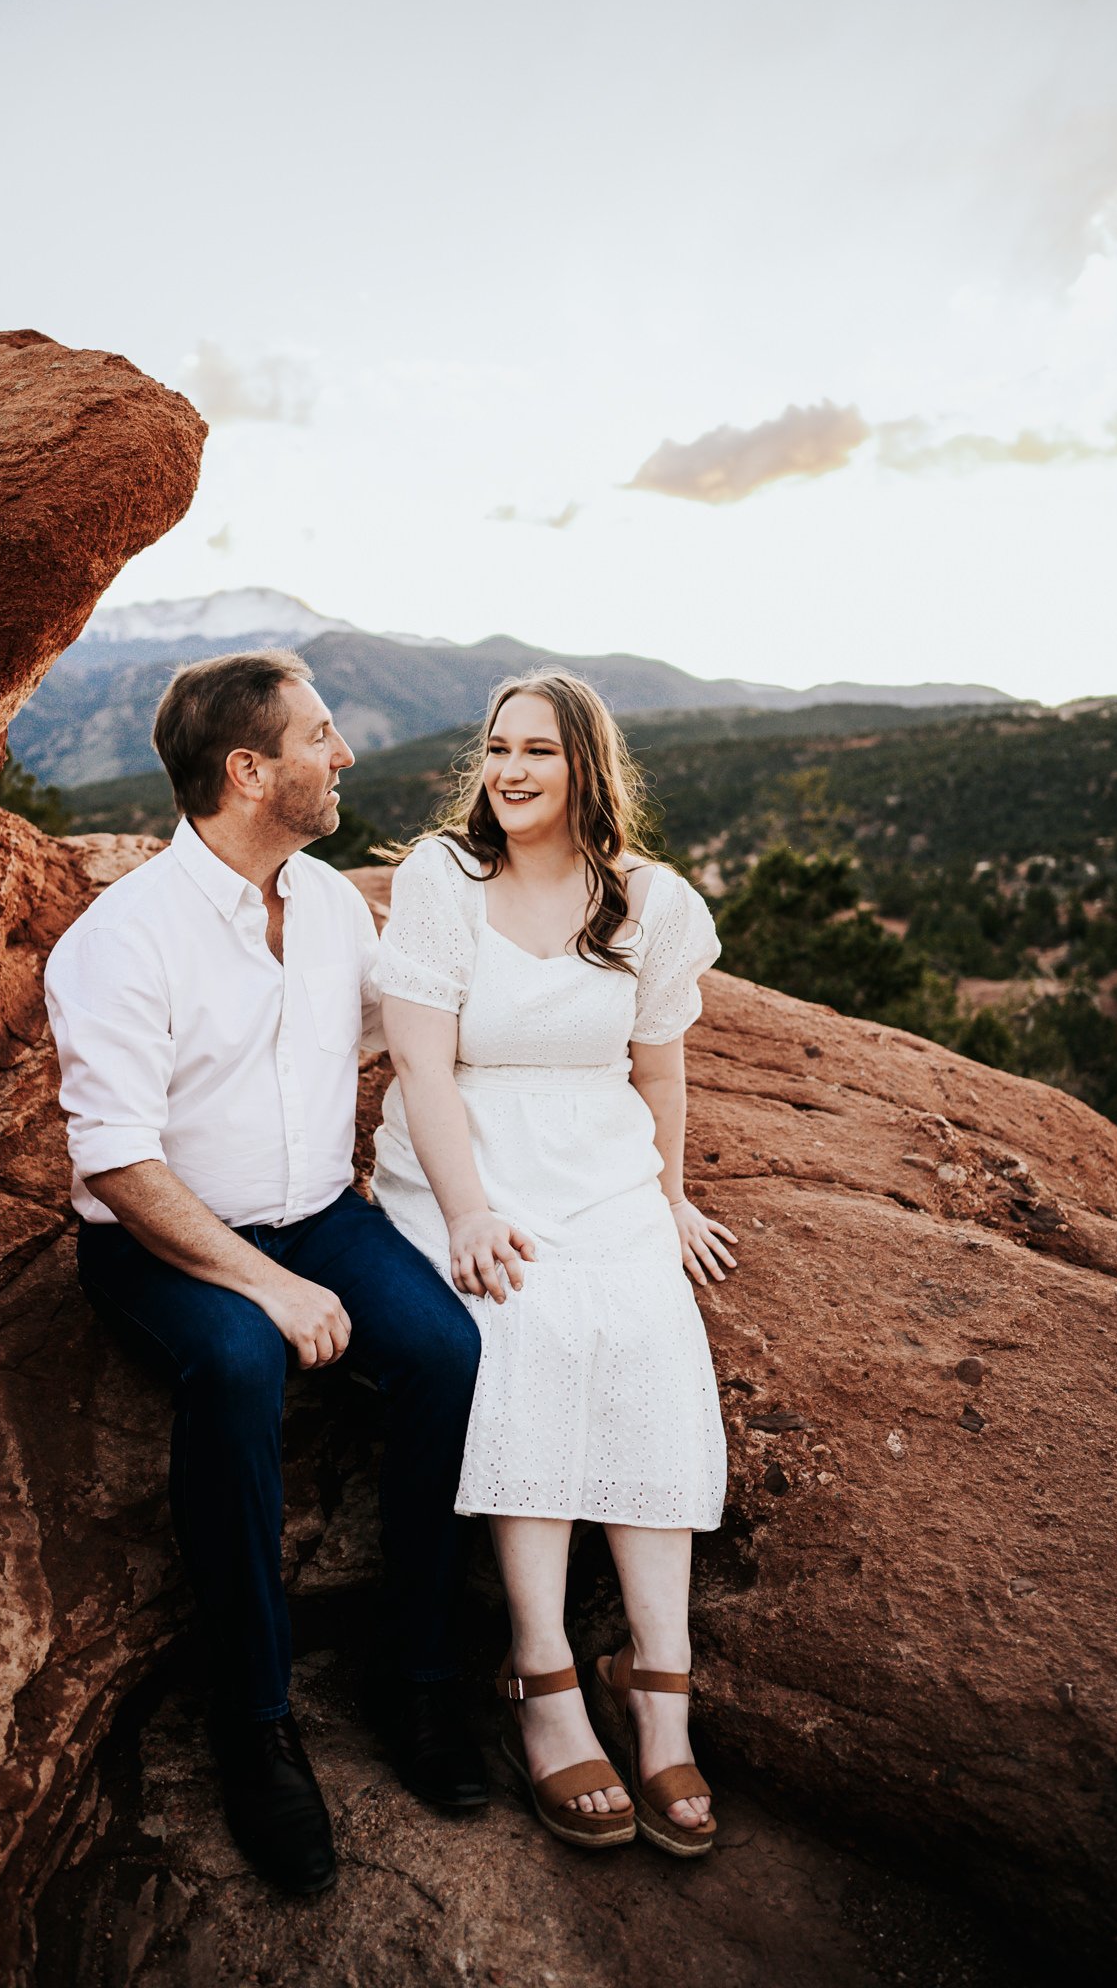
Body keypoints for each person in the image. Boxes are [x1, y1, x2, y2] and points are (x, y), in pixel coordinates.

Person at [43, 649, 486, 1898]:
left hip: (320, 1214)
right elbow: (120, 1162)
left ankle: (414, 1677)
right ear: (249, 770)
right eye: (322, 734)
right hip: (160, 1240)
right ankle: (256, 1720)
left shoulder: (333, 904)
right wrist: (268, 1286)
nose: (344, 753)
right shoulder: (121, 938)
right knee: (237, 1365)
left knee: (447, 1351)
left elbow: (398, 1031)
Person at [370, 668, 735, 1857]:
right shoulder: (442, 878)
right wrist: (467, 1212)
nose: (511, 770)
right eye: (495, 747)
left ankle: (660, 1680)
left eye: (538, 750)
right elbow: (421, 1066)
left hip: (600, 1153)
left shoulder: (648, 899)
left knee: (647, 1331)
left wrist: (670, 1196)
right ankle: (544, 1674)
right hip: (465, 1152)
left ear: (588, 766)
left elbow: (659, 1068)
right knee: (524, 1325)